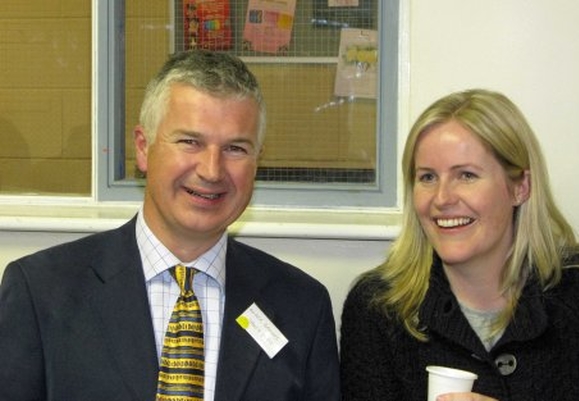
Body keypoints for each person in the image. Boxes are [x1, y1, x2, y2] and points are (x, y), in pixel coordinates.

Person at [0, 50, 341, 401]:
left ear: (257, 161)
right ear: (144, 148)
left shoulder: (302, 305)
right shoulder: (41, 291)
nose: (211, 170)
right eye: (190, 142)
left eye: (236, 148)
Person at [339, 88, 579, 401]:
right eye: (427, 177)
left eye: (466, 175)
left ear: (519, 187)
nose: (442, 199)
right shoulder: (379, 309)